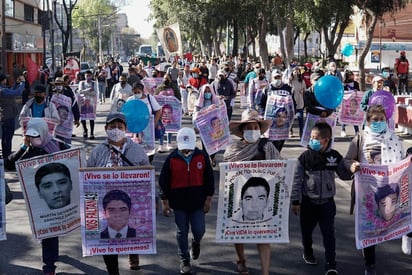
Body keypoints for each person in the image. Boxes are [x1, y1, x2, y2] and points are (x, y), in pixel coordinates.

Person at [343, 105, 403, 275]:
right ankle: (370, 265)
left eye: (381, 119)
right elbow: (346, 160)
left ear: (386, 120)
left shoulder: (394, 138)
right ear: (368, 121)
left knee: (398, 219)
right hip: (367, 192)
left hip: (391, 191)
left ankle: (407, 237)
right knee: (369, 229)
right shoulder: (360, 138)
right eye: (374, 120)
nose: (378, 122)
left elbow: (402, 161)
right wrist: (352, 165)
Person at [87, 112, 150, 273]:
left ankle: (133, 254)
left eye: (120, 127)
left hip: (132, 201)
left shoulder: (137, 150)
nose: (116, 130)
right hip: (106, 204)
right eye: (112, 127)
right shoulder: (97, 152)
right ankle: (113, 270)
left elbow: (147, 176)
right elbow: (87, 178)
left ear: (126, 129)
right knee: (108, 239)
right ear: (106, 128)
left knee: (131, 230)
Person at [8, 117, 70, 275]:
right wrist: (23, 147)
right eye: (31, 135)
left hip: (59, 197)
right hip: (39, 199)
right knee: (47, 230)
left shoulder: (58, 145)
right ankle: (50, 262)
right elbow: (9, 164)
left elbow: (73, 161)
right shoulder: (28, 149)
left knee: (52, 229)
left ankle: (50, 262)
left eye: (36, 135)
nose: (34, 139)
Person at [223, 109, 280, 275]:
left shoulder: (268, 147)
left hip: (263, 199)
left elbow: (279, 167)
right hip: (240, 199)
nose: (253, 131)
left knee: (264, 236)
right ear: (242, 131)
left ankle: (265, 272)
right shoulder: (233, 149)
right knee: (238, 233)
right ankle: (241, 259)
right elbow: (228, 171)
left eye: (256, 127)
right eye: (249, 127)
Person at [291, 122, 351, 275]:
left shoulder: (334, 156)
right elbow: (297, 180)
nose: (313, 141)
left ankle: (331, 263)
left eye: (316, 138)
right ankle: (308, 251)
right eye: (311, 137)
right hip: (308, 203)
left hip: (327, 204)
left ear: (327, 140)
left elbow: (344, 174)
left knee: (329, 233)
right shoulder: (305, 157)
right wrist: (295, 201)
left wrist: (353, 169)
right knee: (307, 231)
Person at [159, 127, 214, 274]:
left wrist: (208, 199)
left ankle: (196, 243)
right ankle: (184, 259)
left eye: (188, 148)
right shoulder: (171, 159)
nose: (186, 151)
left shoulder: (201, 156)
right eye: (183, 149)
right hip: (179, 203)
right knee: (181, 231)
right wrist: (164, 203)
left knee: (199, 229)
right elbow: (163, 182)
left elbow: (209, 179)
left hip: (197, 202)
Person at [260, 69, 293, 152]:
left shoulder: (288, 88)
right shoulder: (267, 89)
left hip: (283, 119)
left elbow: (293, 103)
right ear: (272, 78)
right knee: (271, 140)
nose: (277, 79)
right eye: (275, 77)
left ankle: (277, 153)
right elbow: (261, 103)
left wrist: (292, 114)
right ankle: (273, 156)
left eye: (279, 77)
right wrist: (262, 114)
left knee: (281, 139)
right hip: (271, 120)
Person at [0, 73, 26, 161]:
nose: (6, 80)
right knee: (8, 137)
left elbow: (11, 92)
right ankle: (7, 156)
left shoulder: (3, 89)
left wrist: (17, 83)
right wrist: (22, 82)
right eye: (5, 79)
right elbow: (17, 92)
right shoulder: (3, 90)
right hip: (8, 115)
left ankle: (5, 154)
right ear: (3, 80)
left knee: (5, 137)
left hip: (5, 115)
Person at [49, 76, 81, 144]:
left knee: (66, 144)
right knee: (56, 143)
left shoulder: (69, 94)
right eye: (57, 84)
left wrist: (77, 118)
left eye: (60, 84)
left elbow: (75, 106)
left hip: (67, 122)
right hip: (55, 123)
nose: (58, 86)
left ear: (63, 85)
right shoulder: (52, 94)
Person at [78, 71, 98, 139]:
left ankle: (92, 133)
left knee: (91, 118)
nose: (88, 77)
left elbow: (95, 92)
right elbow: (80, 91)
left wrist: (86, 92)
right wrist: (89, 90)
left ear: (92, 76)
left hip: (91, 103)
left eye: (89, 75)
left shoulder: (94, 83)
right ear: (85, 76)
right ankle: (85, 130)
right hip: (83, 102)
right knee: (83, 118)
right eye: (87, 75)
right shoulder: (82, 83)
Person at [341, 69, 360, 137]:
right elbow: (343, 93)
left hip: (354, 102)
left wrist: (356, 91)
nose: (352, 77)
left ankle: (357, 131)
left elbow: (358, 92)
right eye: (350, 76)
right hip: (346, 103)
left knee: (355, 116)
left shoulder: (356, 83)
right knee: (345, 116)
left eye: (352, 75)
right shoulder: (343, 84)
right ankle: (343, 129)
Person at [289, 67, 306, 137]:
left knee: (300, 118)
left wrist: (303, 91)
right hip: (292, 101)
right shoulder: (290, 81)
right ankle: (290, 131)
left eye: (297, 71)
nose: (296, 73)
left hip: (300, 101)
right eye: (295, 71)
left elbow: (305, 88)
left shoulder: (301, 81)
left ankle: (301, 132)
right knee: (290, 118)